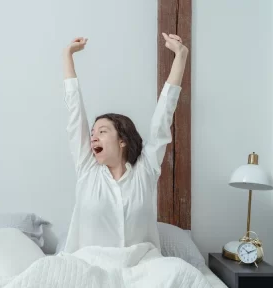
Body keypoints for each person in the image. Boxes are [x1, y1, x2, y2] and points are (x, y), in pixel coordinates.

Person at [62, 34, 188, 253]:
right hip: (92, 271)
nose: (93, 137)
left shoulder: (145, 170)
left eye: (102, 131)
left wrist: (181, 56)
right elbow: (75, 114)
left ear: (122, 140)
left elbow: (163, 116)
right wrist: (67, 56)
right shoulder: (87, 169)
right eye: (92, 133)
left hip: (141, 270)